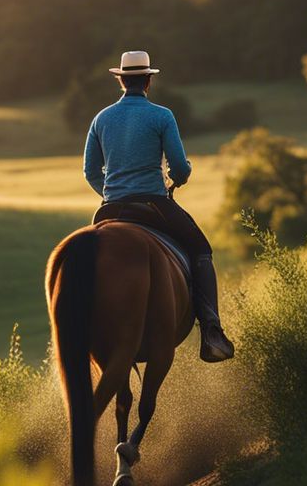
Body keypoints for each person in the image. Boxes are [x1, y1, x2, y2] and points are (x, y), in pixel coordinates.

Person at [82, 50, 234, 362]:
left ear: (121, 81)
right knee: (201, 250)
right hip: (153, 204)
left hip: (109, 208)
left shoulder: (101, 118)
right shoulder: (162, 116)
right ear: (149, 81)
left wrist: (109, 191)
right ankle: (211, 331)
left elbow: (90, 171)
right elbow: (178, 167)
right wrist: (178, 177)